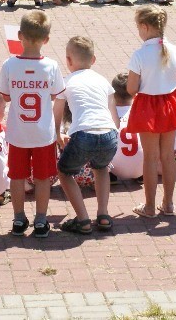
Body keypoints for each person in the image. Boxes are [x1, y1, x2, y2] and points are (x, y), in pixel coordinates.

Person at [0, 12, 65, 238]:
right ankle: (41, 220)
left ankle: (18, 218)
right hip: (43, 133)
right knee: (43, 178)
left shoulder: (9, 64)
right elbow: (57, 95)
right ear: (46, 39)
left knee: (17, 176)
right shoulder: (52, 66)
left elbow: (4, 97)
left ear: (20, 36)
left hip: (17, 132)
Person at [125, 5, 176, 218]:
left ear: (144, 27)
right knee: (168, 156)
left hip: (148, 106)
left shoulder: (139, 54)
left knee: (150, 157)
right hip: (170, 104)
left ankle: (149, 206)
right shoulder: (175, 50)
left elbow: (131, 88)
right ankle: (169, 203)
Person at [55, 36, 118, 234]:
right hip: (108, 132)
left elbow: (57, 113)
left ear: (68, 60)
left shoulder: (65, 82)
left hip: (83, 133)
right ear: (94, 59)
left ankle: (82, 218)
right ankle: (104, 214)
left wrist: (57, 135)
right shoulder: (103, 81)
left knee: (65, 172)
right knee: (101, 169)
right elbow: (113, 114)